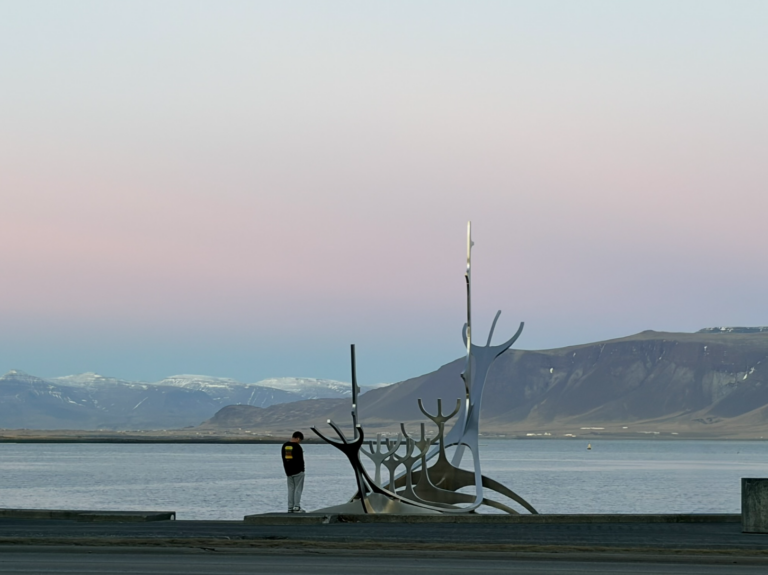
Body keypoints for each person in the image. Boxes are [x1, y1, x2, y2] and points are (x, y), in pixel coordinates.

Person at [281, 431, 305, 513]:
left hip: (288, 471)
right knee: (298, 489)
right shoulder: (297, 447)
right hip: (298, 471)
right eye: (300, 440)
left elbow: (284, 459)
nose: (299, 442)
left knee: (290, 489)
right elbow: (300, 460)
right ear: (298, 438)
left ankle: (290, 507)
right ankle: (296, 506)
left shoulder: (285, 446)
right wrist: (302, 470)